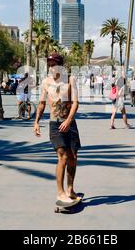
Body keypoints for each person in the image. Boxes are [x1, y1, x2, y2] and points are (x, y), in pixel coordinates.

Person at [34, 53, 82, 204]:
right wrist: (36, 122)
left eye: (54, 65)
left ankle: (70, 189)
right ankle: (60, 193)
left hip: (70, 124)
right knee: (63, 156)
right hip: (55, 124)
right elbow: (42, 104)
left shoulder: (70, 80)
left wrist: (68, 120)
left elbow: (75, 102)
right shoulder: (46, 82)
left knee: (73, 158)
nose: (51, 68)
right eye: (49, 65)